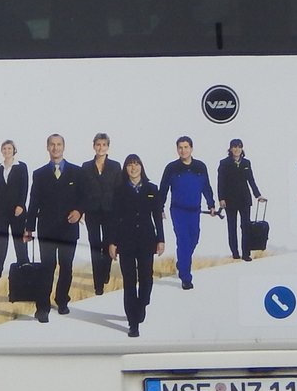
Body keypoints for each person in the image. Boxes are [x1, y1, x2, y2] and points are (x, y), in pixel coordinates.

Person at [24, 134, 83, 323]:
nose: (55, 148)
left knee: (66, 267)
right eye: (52, 145)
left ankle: (62, 300)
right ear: (47, 148)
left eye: (59, 144)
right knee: (47, 268)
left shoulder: (77, 172)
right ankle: (42, 308)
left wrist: (79, 211)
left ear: (64, 147)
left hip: (68, 228)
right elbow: (34, 202)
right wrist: (29, 228)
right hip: (47, 229)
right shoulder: (39, 174)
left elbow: (85, 197)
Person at [107, 154, 165, 337]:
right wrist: (112, 242)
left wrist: (160, 239)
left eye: (136, 164)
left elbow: (157, 216)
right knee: (130, 282)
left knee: (146, 279)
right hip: (126, 241)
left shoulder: (151, 189)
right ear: (125, 169)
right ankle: (133, 323)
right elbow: (114, 219)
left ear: (142, 167)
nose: (133, 168)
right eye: (130, 165)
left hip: (147, 240)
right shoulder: (119, 190)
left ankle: (143, 303)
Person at [157, 136, 216, 289]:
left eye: (186, 147)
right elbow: (163, 188)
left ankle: (182, 262)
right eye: (180, 148)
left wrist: (211, 204)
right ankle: (186, 277)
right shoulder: (171, 168)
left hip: (194, 211)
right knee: (183, 241)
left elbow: (206, 187)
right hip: (178, 210)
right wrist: (160, 207)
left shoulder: (200, 167)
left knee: (194, 239)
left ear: (191, 148)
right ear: (177, 150)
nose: (183, 150)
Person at [79, 132, 124, 295]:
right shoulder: (85, 167)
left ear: (108, 147)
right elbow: (82, 190)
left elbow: (119, 190)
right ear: (93, 146)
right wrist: (81, 210)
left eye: (104, 145)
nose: (101, 147)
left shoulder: (115, 166)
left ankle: (105, 271)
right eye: (98, 144)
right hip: (91, 210)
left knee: (108, 243)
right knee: (94, 244)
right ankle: (98, 283)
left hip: (110, 210)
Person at [0, 139, 29, 284]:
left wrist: (21, 205)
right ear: (1, 151)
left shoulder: (21, 166)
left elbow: (24, 187)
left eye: (9, 148)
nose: (7, 151)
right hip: (1, 211)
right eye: (4, 149)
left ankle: (24, 268)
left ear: (14, 150)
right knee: (0, 241)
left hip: (17, 210)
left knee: (19, 241)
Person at [216, 138, 266, 261]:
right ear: (230, 149)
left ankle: (245, 253)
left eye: (239, 147)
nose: (237, 149)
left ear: (242, 148)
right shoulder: (224, 163)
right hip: (229, 200)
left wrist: (258, 195)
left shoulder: (246, 163)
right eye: (234, 147)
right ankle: (235, 252)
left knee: (246, 227)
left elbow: (251, 180)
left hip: (244, 199)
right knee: (231, 227)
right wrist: (221, 198)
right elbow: (220, 182)